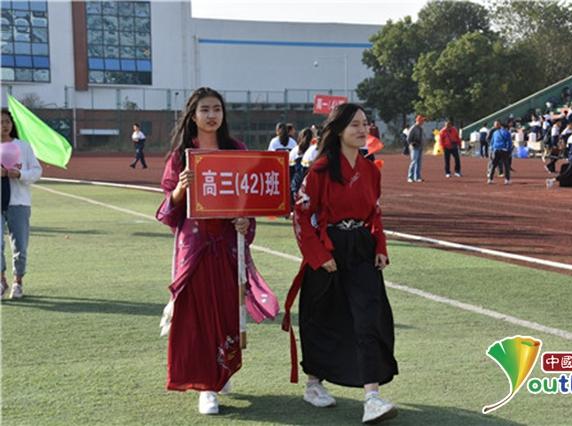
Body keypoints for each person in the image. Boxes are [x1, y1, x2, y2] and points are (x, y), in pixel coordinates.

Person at [156, 87, 276, 415]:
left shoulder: (235, 149)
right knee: (195, 316)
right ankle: (206, 386)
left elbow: (248, 195)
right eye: (205, 109)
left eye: (217, 109)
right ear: (193, 115)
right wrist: (181, 189)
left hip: (226, 247)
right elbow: (167, 211)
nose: (212, 115)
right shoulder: (181, 155)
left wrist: (244, 221)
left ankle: (222, 373)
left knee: (226, 312)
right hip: (193, 249)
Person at [282, 103, 398, 424]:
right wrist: (319, 256)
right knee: (322, 316)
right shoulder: (319, 170)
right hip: (329, 249)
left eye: (365, 124)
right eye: (354, 125)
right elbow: (301, 216)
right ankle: (314, 384)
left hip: (361, 249)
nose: (362, 130)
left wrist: (380, 246)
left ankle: (372, 397)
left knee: (368, 317)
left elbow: (375, 212)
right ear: (339, 131)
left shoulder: (371, 170)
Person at [0, 108, 42, 300]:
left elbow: (36, 171)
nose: (4, 125)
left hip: (18, 203)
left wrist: (20, 174)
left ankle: (18, 282)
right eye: (0, 122)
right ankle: (1, 281)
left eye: (7, 121)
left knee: (20, 247)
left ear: (12, 124)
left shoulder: (23, 146)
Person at [487, 120, 512, 185]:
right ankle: (507, 180)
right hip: (503, 150)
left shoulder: (495, 132)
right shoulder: (507, 133)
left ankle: (490, 179)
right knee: (506, 165)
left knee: (494, 164)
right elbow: (509, 143)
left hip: (496, 150)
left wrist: (492, 149)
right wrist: (508, 150)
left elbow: (492, 142)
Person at [406, 115, 426, 182]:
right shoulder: (413, 128)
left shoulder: (421, 128)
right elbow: (408, 138)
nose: (423, 122)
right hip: (414, 147)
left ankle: (417, 177)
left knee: (419, 162)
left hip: (420, 146)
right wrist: (412, 143)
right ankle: (410, 177)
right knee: (414, 161)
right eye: (422, 120)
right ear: (418, 120)